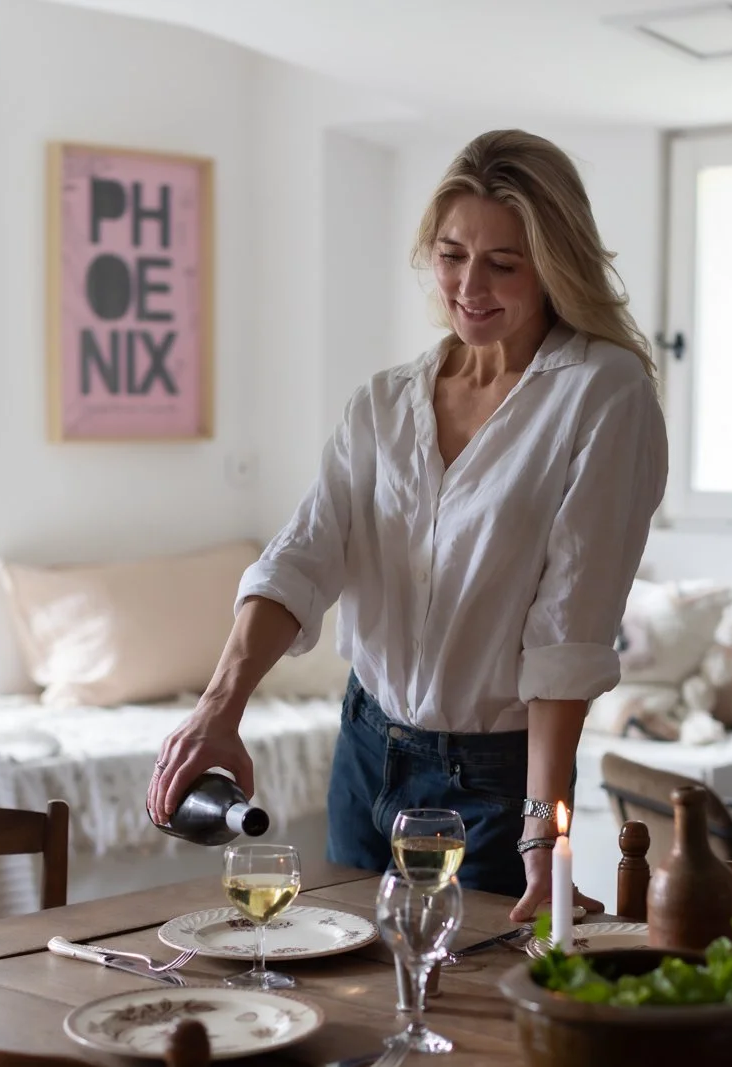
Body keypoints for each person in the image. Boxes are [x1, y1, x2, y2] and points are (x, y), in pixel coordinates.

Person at [147, 129, 668, 923]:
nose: (469, 284)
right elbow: (303, 557)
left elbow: (568, 631)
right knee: (346, 998)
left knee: (468, 1022)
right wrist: (218, 711)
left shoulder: (602, 393)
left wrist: (541, 836)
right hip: (368, 750)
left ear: (556, 265)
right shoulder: (384, 402)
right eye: (453, 253)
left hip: (495, 781)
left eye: (504, 262)